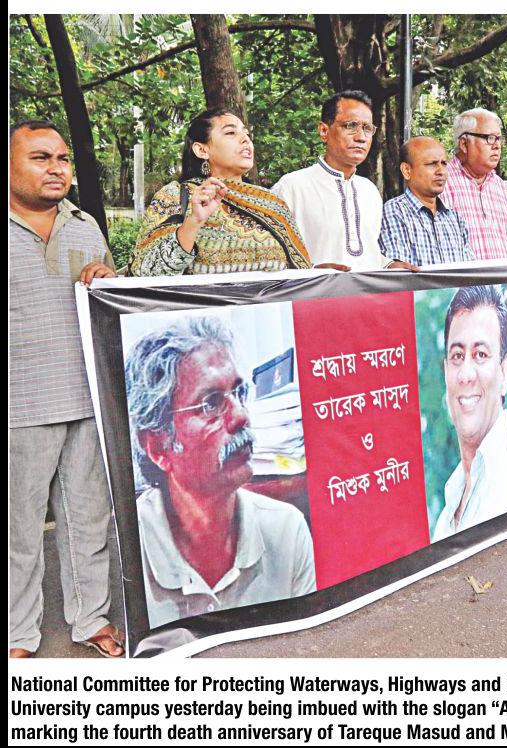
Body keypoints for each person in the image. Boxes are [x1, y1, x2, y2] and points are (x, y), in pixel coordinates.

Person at [9, 120, 124, 658]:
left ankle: (90, 618)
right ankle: (18, 633)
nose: (56, 169)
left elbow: (112, 302)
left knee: (87, 519)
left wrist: (108, 278)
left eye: (62, 158)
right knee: (19, 530)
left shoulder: (85, 226)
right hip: (20, 402)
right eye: (40, 158)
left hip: (86, 397)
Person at [124, 316, 317, 628]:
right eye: (211, 404)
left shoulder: (285, 530)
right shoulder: (129, 547)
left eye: (239, 393)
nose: (241, 416)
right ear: (158, 446)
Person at [131, 108, 312, 276]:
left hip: (273, 301)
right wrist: (194, 222)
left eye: (246, 134)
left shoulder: (272, 202)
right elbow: (145, 272)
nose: (245, 139)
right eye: (231, 132)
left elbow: (300, 273)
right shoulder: (176, 195)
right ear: (202, 150)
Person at [273, 91, 413, 271]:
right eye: (350, 126)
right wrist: (312, 270)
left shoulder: (369, 191)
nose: (361, 137)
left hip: (367, 289)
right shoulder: (291, 187)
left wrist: (389, 265)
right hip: (314, 289)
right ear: (324, 131)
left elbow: (367, 254)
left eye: (367, 128)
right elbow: (271, 258)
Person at [432, 285, 507, 540]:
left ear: (504, 372)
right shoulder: (449, 504)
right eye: (457, 356)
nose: (466, 375)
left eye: (480, 354)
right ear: (446, 372)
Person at [379, 137, 476, 266]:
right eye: (432, 164)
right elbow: (400, 272)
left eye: (444, 163)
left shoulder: (455, 218)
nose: (441, 171)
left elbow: (469, 270)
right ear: (407, 170)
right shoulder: (395, 212)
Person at [441, 108, 507, 261]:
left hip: (506, 276)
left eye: (498, 138)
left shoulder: (500, 187)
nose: (497, 145)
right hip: (462, 276)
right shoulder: (441, 182)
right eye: (489, 138)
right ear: (464, 144)